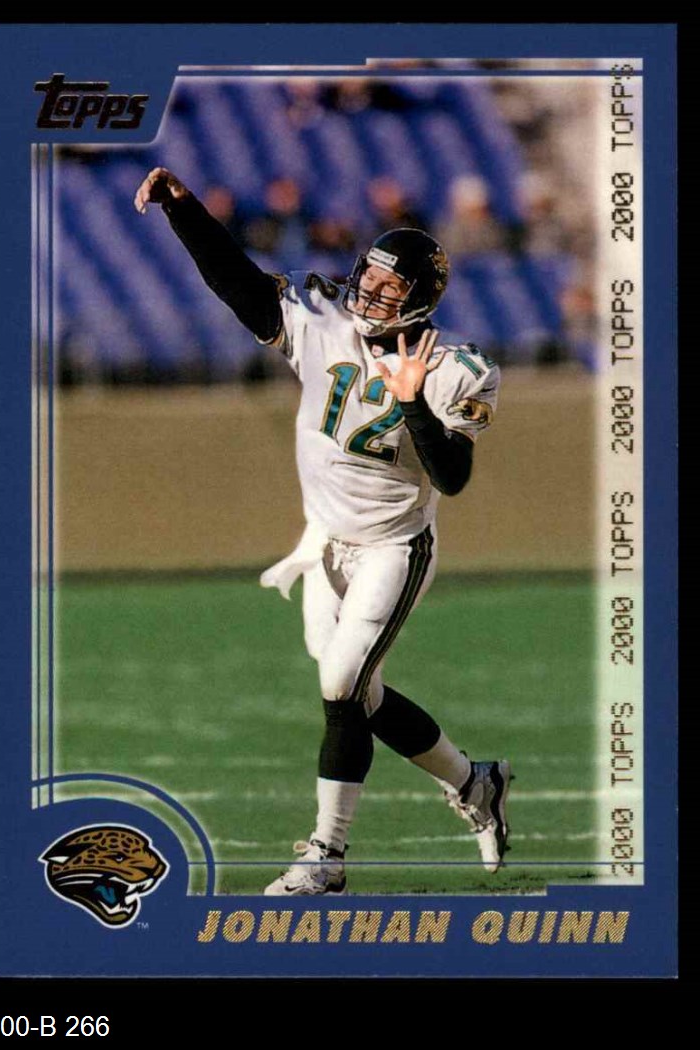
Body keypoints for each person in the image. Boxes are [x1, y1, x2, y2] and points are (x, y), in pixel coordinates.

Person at [134, 167, 512, 895]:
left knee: (341, 685)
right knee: (358, 695)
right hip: (323, 540)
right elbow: (240, 286)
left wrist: (413, 405)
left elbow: (453, 477)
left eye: (388, 289)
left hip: (392, 545)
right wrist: (185, 212)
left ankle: (326, 856)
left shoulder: (456, 369)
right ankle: (475, 782)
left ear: (420, 299)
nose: (368, 293)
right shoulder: (325, 319)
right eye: (368, 277)